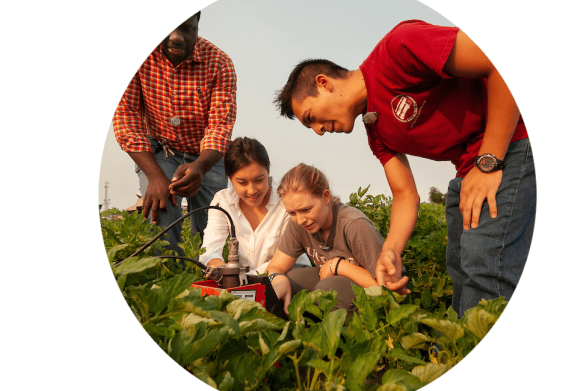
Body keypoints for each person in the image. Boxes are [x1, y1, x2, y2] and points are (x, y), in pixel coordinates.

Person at [273, 20, 536, 317]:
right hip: (468, 169)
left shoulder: (399, 49)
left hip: (511, 146)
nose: (318, 131)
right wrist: (391, 251)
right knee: (462, 269)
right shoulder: (376, 130)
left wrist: (488, 163)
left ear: (324, 83)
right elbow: (405, 195)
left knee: (485, 266)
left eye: (311, 117)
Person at [113, 10, 237, 257]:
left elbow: (220, 127)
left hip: (206, 156)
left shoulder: (220, 63)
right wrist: (155, 177)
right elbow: (127, 119)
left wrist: (200, 167)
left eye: (186, 29)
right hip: (160, 150)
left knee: (211, 223)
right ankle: (169, 276)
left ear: (197, 25)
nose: (175, 38)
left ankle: (207, 281)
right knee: (161, 212)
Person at [265, 163, 384, 316]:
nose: (300, 220)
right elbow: (275, 267)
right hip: (336, 285)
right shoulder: (299, 225)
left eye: (306, 209)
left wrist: (339, 266)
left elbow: (385, 287)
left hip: (370, 296)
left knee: (328, 289)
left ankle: (350, 335)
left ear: (326, 197)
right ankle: (303, 331)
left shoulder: (354, 225)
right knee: (291, 280)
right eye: (292, 213)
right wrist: (277, 278)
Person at [200, 137, 311, 275]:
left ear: (268, 171)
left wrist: (241, 280)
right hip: (247, 280)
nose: (252, 190)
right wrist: (223, 271)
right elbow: (210, 250)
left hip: (290, 273)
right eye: (242, 182)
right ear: (230, 178)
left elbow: (284, 259)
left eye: (259, 180)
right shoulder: (222, 201)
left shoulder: (286, 200)